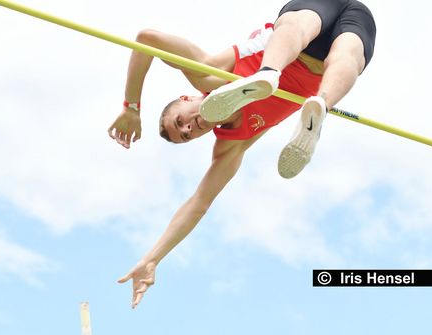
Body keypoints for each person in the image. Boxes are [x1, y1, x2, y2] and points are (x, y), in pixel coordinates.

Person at [108, 0, 376, 308]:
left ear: (186, 98)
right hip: (332, 55)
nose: (188, 128)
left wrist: (131, 108)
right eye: (186, 136)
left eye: (180, 119)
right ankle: (321, 106)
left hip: (305, 25)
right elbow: (198, 204)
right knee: (348, 57)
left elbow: (147, 39)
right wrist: (152, 259)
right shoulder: (233, 143)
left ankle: (268, 73)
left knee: (296, 27)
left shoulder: (208, 74)